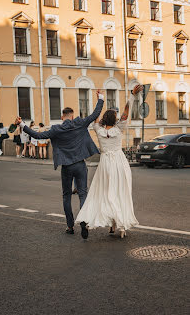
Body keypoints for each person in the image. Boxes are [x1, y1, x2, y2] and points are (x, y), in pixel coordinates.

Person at [15, 91, 104, 238]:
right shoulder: (79, 122)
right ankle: (84, 220)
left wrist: (22, 124)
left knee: (66, 195)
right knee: (83, 194)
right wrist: (100, 98)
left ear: (62, 117)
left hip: (66, 166)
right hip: (80, 165)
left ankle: (70, 226)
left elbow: (37, 135)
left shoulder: (57, 129)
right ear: (73, 115)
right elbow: (95, 114)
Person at [76, 85, 143, 239]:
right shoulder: (119, 128)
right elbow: (126, 113)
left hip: (105, 163)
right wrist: (132, 95)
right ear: (115, 119)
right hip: (119, 163)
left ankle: (98, 222)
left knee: (103, 193)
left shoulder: (98, 129)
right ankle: (119, 227)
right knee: (120, 193)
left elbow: (95, 117)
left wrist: (99, 99)